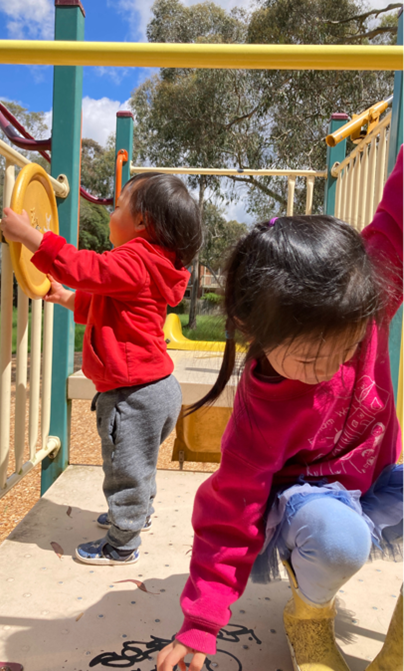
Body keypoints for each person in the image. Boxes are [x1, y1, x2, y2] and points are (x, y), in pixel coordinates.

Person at [157, 149, 403, 671]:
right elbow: (228, 517)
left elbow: (397, 218)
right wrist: (201, 625)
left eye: (347, 348)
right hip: (306, 510)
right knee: (338, 539)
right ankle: (310, 616)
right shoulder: (259, 415)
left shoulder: (362, 295)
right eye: (313, 357)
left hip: (375, 487)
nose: (332, 365)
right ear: (255, 333)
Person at [1, 173, 202, 566]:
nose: (112, 213)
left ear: (141, 222)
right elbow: (107, 304)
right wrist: (66, 298)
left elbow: (85, 267)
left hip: (134, 394)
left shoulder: (136, 257)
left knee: (123, 470)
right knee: (138, 463)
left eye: (118, 206)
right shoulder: (153, 265)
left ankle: (122, 543)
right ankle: (136, 514)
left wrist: (29, 236)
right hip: (155, 388)